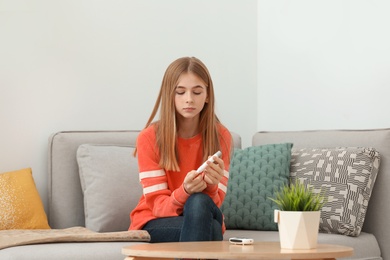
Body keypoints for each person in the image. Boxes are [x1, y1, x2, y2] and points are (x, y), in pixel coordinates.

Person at [129, 56, 232, 243]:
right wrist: (184, 190)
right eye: (180, 92)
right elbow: (158, 207)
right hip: (155, 220)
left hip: (202, 214)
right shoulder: (149, 138)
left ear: (207, 95)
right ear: (170, 94)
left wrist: (211, 185)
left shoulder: (222, 136)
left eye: (197, 92)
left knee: (200, 202)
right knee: (212, 229)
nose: (189, 100)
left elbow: (214, 203)